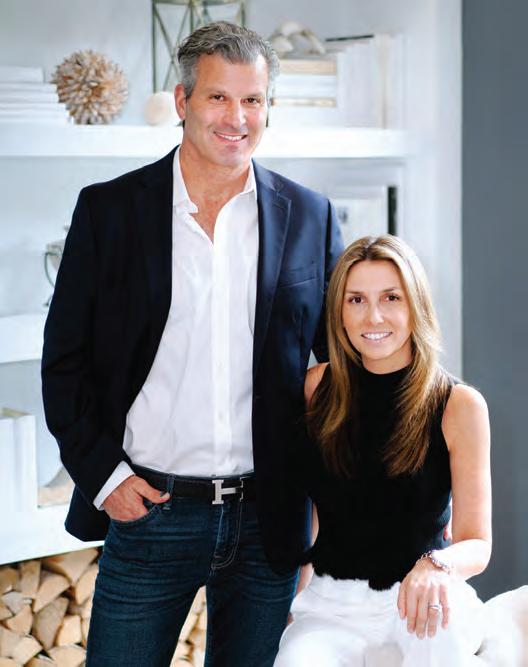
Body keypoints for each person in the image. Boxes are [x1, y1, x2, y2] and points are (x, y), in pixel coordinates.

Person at [41, 21, 343, 667]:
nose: (237, 118)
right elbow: (64, 363)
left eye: (253, 99)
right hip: (150, 512)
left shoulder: (310, 216)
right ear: (182, 101)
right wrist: (105, 478)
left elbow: (343, 364)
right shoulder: (108, 212)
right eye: (218, 97)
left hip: (268, 521)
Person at [274, 234, 492, 666]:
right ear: (339, 311)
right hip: (332, 607)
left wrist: (436, 566)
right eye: (356, 300)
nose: (373, 316)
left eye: (391, 297)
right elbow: (311, 516)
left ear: (416, 305)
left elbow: (477, 544)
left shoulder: (458, 405)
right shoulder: (317, 388)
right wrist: (291, 605)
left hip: (424, 602)